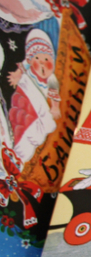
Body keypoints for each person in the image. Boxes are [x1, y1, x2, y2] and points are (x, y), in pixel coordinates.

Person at [6, 29, 61, 164]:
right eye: (37, 59)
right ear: (30, 61)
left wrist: (55, 107)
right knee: (26, 127)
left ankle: (23, 155)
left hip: (39, 108)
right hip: (26, 98)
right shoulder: (28, 75)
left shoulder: (52, 79)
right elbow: (22, 68)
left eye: (46, 59)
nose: (42, 63)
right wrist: (17, 76)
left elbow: (54, 95)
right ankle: (19, 155)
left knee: (44, 128)